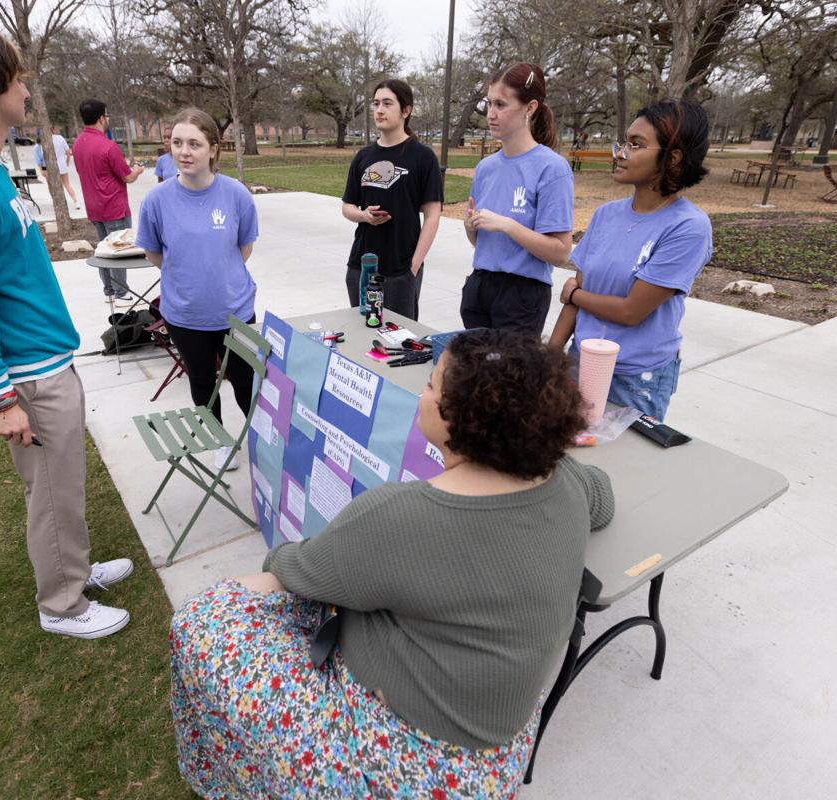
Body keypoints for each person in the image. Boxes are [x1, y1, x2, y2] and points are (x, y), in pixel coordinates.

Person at [169, 329, 614, 798]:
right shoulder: (566, 482)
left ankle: (218, 776)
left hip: (399, 760)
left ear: (457, 414)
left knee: (203, 618)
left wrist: (267, 569)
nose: (423, 393)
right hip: (497, 757)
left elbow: (295, 568)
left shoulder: (404, 515)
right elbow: (602, 497)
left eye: (431, 384)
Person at [0, 21, 133, 639]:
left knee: (62, 483)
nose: (26, 88)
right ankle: (62, 605)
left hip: (46, 359)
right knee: (51, 491)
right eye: (17, 78)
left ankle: (75, 567)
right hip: (27, 375)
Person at [548, 99, 712, 421]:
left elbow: (630, 312)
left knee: (623, 455)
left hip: (636, 380)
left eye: (636, 145)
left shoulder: (688, 227)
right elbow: (574, 299)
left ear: (673, 158)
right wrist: (549, 359)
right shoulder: (605, 215)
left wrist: (576, 294)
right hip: (580, 362)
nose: (620, 153)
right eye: (623, 142)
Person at [135, 108, 259, 472]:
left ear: (213, 149)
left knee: (245, 380)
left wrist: (219, 275)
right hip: (185, 315)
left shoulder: (236, 194)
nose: (184, 151)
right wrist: (187, 277)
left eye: (194, 144)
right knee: (202, 382)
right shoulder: (156, 200)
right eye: (177, 143)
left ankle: (261, 438)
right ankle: (219, 442)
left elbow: (244, 247)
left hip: (236, 312)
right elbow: (154, 253)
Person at [462, 63, 574, 335]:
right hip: (479, 288)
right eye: (489, 104)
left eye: (501, 104)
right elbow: (479, 242)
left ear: (530, 108)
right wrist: (470, 226)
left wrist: (508, 225)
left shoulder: (552, 169)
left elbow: (560, 253)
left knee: (510, 366)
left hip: (522, 297)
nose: (491, 114)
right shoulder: (485, 168)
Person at [340, 78, 443, 320]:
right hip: (361, 266)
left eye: (387, 103)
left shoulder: (423, 156)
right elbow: (347, 207)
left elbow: (433, 215)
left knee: (399, 337)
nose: (379, 110)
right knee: (362, 335)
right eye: (376, 103)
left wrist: (413, 267)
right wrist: (364, 216)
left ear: (406, 110)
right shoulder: (363, 156)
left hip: (400, 269)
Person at [71, 100, 144, 307]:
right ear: (102, 118)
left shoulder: (77, 145)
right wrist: (137, 170)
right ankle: (122, 293)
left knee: (103, 250)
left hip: (94, 206)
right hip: (114, 206)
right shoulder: (109, 146)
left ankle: (109, 290)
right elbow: (128, 177)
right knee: (118, 250)